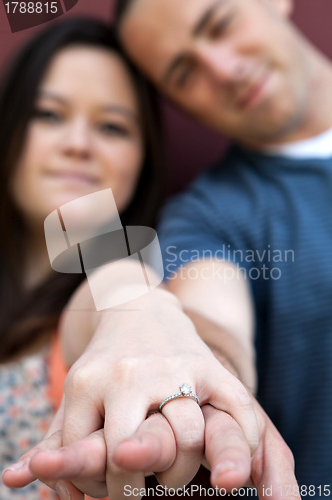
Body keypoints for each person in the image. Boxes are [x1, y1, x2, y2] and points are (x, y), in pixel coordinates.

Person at [2, 6, 301, 500]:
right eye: (49, 114)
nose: (78, 144)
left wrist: (140, 312)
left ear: (143, 158)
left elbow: (119, 293)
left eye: (113, 127)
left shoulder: (121, 276)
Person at [112, 0, 332, 493]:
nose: (225, 69)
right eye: (183, 73)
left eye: (222, 24)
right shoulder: (207, 217)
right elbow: (212, 323)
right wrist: (195, 366)